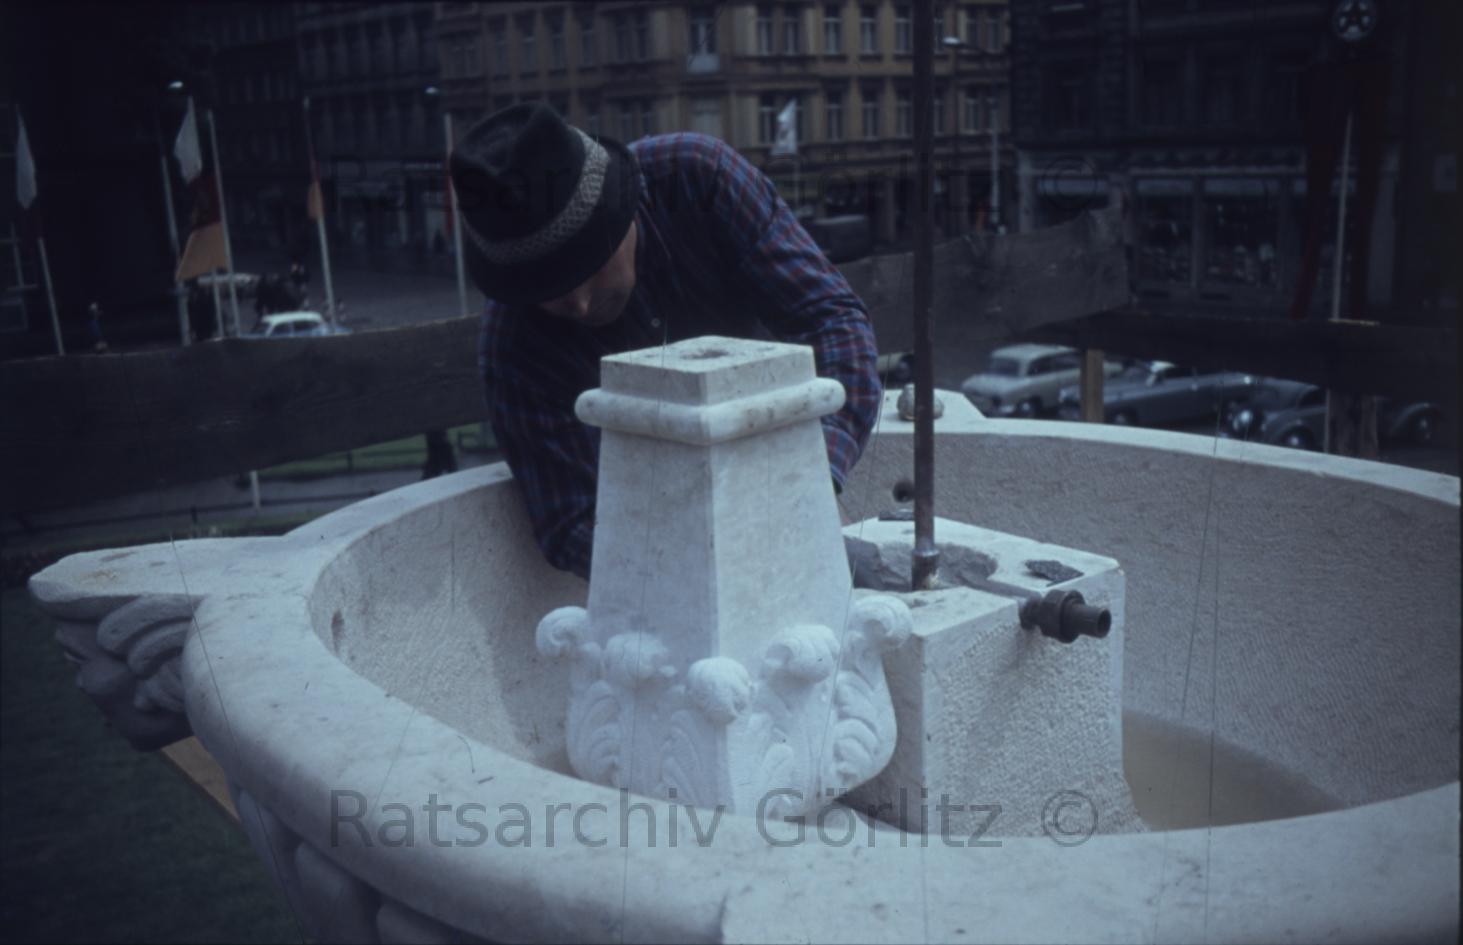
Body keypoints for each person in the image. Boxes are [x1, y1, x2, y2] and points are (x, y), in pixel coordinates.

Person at [451, 103, 881, 581]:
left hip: (780, 456)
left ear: (624, 210)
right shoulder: (512, 346)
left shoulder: (699, 178)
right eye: (547, 290)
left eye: (586, 266)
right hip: (663, 533)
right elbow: (570, 520)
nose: (579, 304)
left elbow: (833, 323)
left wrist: (811, 479)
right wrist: (710, 556)